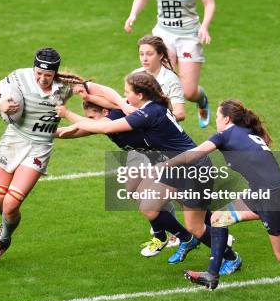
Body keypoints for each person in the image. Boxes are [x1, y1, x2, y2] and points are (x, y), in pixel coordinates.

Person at [58, 72, 241, 273]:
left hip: (192, 167)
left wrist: (68, 115)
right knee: (148, 206)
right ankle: (194, 237)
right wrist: (88, 93)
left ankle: (231, 257)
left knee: (195, 227)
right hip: (174, 165)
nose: (125, 95)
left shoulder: (148, 113)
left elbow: (106, 127)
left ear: (141, 95)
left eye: (128, 92)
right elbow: (102, 91)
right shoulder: (147, 107)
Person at [159, 99, 280, 297]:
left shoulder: (225, 135)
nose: (217, 122)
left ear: (227, 118)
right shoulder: (249, 133)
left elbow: (193, 155)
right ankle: (212, 274)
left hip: (273, 199)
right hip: (261, 194)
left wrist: (164, 166)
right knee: (217, 218)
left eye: (218, 117)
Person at [0, 47, 81, 263]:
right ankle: (8, 222)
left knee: (10, 204)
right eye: (39, 73)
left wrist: (119, 106)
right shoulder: (19, 77)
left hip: (39, 148)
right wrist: (0, 103)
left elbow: (95, 91)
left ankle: (3, 240)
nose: (43, 79)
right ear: (33, 68)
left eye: (48, 75)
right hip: (13, 141)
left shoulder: (64, 87)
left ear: (55, 73)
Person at [56, 100, 188, 256]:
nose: (90, 122)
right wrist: (31, 131)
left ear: (105, 112)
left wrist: (67, 114)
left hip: (166, 156)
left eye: (92, 117)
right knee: (137, 193)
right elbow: (66, 132)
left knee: (181, 200)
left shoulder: (119, 120)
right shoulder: (105, 121)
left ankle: (203, 238)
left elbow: (98, 120)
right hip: (146, 156)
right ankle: (166, 236)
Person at [123, 0, 215, 128]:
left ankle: (202, 100)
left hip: (189, 37)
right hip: (163, 36)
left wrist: (205, 27)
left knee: (188, 91)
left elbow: (209, 3)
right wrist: (132, 15)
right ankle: (165, 123)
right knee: (162, 83)